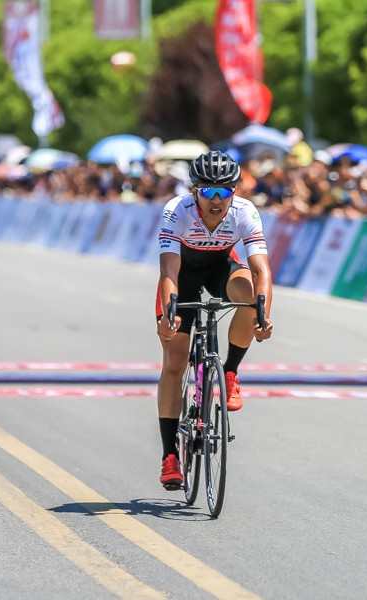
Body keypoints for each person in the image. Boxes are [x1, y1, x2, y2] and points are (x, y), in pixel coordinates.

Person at [154, 150, 274, 489]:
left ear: (235, 191)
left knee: (249, 295)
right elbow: (169, 271)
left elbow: (262, 269)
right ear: (195, 191)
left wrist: (263, 316)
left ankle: (231, 370)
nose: (217, 199)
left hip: (222, 268)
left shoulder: (245, 211)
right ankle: (170, 456)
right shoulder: (177, 211)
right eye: (208, 191)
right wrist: (169, 313)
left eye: (225, 191)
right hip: (183, 277)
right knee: (175, 364)